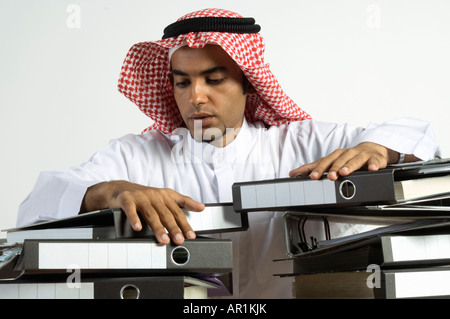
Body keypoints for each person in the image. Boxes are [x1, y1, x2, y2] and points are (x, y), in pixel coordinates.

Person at [17, 8, 440, 298]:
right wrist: (110, 193)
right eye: (182, 82)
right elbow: (37, 206)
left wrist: (375, 148)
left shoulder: (301, 142)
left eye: (214, 79)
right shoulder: (137, 156)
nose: (195, 97)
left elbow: (416, 134)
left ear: (248, 84)